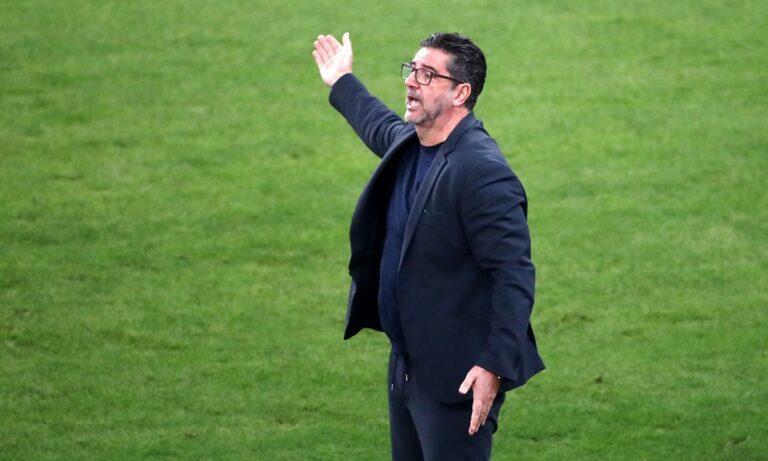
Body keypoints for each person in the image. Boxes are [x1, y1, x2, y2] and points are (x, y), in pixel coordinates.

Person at [312, 32, 545, 461]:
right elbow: (377, 124)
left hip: (457, 377)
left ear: (460, 93)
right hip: (407, 364)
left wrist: (494, 365)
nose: (410, 81)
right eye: (412, 70)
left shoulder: (482, 172)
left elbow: (513, 274)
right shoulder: (412, 144)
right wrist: (342, 79)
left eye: (427, 75)